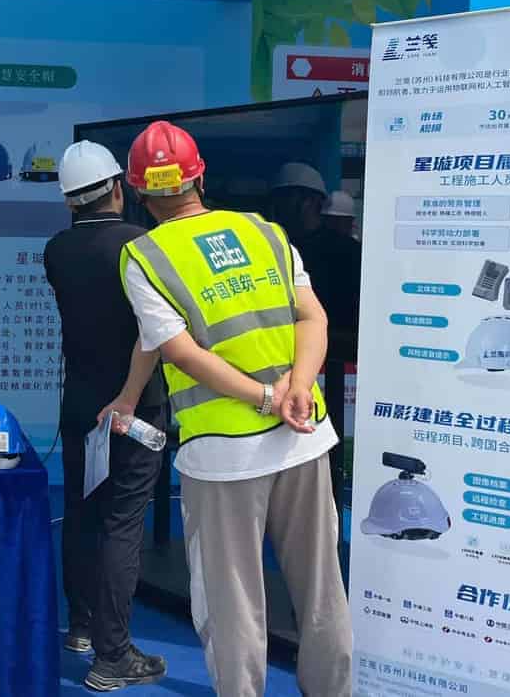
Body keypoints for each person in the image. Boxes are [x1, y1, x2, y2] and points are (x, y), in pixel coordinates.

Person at [119, 121, 351, 697]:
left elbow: (180, 352)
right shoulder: (263, 232)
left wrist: (265, 398)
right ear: (199, 178)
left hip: (224, 454)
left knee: (232, 600)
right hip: (304, 436)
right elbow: (313, 317)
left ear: (140, 192)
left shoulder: (144, 256)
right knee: (322, 590)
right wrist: (298, 387)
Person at [43, 141, 168, 691]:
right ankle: (113, 656)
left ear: (69, 200)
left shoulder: (56, 250)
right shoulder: (142, 245)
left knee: (81, 512)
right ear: (119, 188)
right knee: (122, 523)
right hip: (135, 405)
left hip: (79, 404)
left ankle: (80, 627)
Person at [269, 163, 361, 501]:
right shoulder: (271, 247)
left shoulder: (346, 251)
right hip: (282, 366)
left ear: (311, 201)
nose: (282, 207)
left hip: (337, 366)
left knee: (325, 449)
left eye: (289, 198)